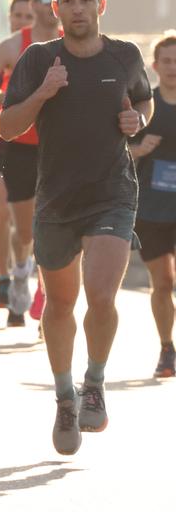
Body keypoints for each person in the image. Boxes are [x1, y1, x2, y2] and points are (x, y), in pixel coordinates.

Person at [0, 0, 149, 455]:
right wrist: (45, 92)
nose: (78, 9)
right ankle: (64, 396)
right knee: (60, 304)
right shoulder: (40, 59)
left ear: (100, 5)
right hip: (57, 198)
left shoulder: (125, 55)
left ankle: (95, 383)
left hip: (112, 192)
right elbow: (7, 127)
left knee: (101, 295)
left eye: (87, 0)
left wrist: (134, 119)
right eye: (68, 1)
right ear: (55, 8)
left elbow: (142, 107)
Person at [0, 0, 64, 326]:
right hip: (21, 146)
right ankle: (22, 271)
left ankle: (49, 295)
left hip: (61, 147)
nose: (47, 6)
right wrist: (12, 99)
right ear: (34, 4)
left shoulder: (71, 42)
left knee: (56, 225)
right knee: (25, 230)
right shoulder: (14, 45)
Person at [0, 0, 35, 312]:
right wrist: (12, 99)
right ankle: (5, 276)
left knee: (36, 220)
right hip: (0, 142)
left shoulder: (47, 49)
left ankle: (33, 275)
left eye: (29, 16)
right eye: (19, 15)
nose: (23, 21)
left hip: (40, 143)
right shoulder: (5, 50)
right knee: (3, 212)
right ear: (10, 17)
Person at [129, 31, 176, 378]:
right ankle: (166, 348)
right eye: (168, 61)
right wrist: (138, 150)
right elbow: (116, 151)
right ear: (156, 65)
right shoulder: (144, 106)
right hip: (151, 210)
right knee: (162, 282)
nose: (173, 67)